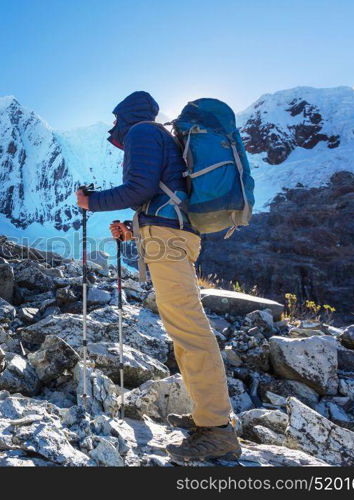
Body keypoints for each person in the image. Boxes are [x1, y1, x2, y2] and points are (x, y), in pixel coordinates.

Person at [75, 91, 241, 462]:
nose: (112, 128)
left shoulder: (142, 133)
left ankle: (217, 430)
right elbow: (163, 196)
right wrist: (133, 231)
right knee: (184, 329)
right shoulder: (157, 136)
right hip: (168, 236)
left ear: (124, 116)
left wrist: (91, 202)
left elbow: (140, 189)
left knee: (190, 329)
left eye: (115, 120)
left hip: (168, 242)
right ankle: (206, 418)